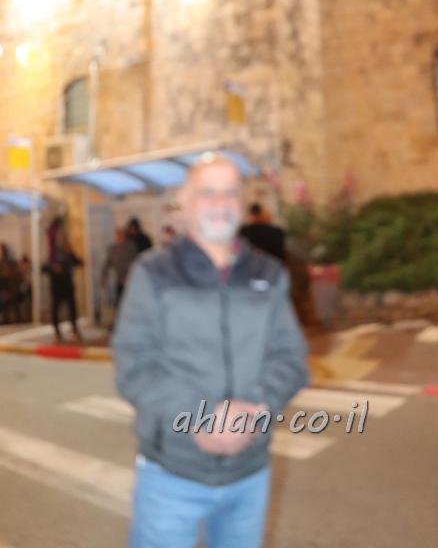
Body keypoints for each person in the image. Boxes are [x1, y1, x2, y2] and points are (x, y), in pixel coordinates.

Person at [113, 153, 309, 548]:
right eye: (207, 193)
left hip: (249, 474)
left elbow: (291, 358)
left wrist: (256, 410)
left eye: (230, 193)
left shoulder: (269, 275)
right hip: (171, 473)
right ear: (184, 204)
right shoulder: (153, 273)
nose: (220, 203)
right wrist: (198, 418)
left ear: (242, 202)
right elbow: (134, 366)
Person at [45, 217, 83, 343]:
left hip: (67, 283)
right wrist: (53, 267)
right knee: (56, 308)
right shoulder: (53, 255)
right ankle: (57, 332)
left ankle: (74, 329)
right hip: (57, 285)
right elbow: (45, 267)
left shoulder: (66, 252)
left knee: (71, 307)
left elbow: (78, 262)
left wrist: (71, 252)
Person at [101, 228, 138, 312]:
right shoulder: (113, 249)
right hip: (119, 279)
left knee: (129, 302)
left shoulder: (130, 247)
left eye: (121, 235)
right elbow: (107, 263)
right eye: (117, 236)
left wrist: (130, 275)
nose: (119, 238)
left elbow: (135, 262)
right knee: (118, 302)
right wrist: (104, 275)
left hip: (129, 280)